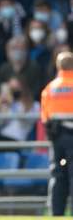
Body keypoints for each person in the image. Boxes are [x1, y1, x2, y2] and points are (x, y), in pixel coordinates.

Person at [41, 51, 73, 216]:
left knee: (57, 175)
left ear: (58, 66)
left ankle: (56, 213)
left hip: (57, 137)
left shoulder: (50, 88)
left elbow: (45, 116)